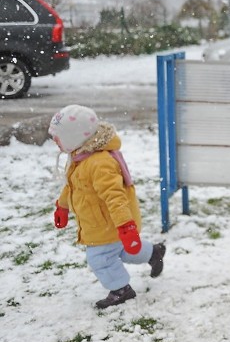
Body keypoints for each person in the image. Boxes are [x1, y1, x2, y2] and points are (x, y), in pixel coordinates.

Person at [49, 105, 166, 309]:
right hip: (103, 222)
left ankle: (121, 290)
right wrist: (62, 206)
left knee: (100, 258)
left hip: (109, 223)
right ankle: (153, 252)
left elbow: (115, 197)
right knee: (122, 252)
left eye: (58, 137)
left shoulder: (99, 163)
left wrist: (126, 226)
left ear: (75, 137)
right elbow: (72, 187)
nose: (55, 141)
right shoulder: (81, 157)